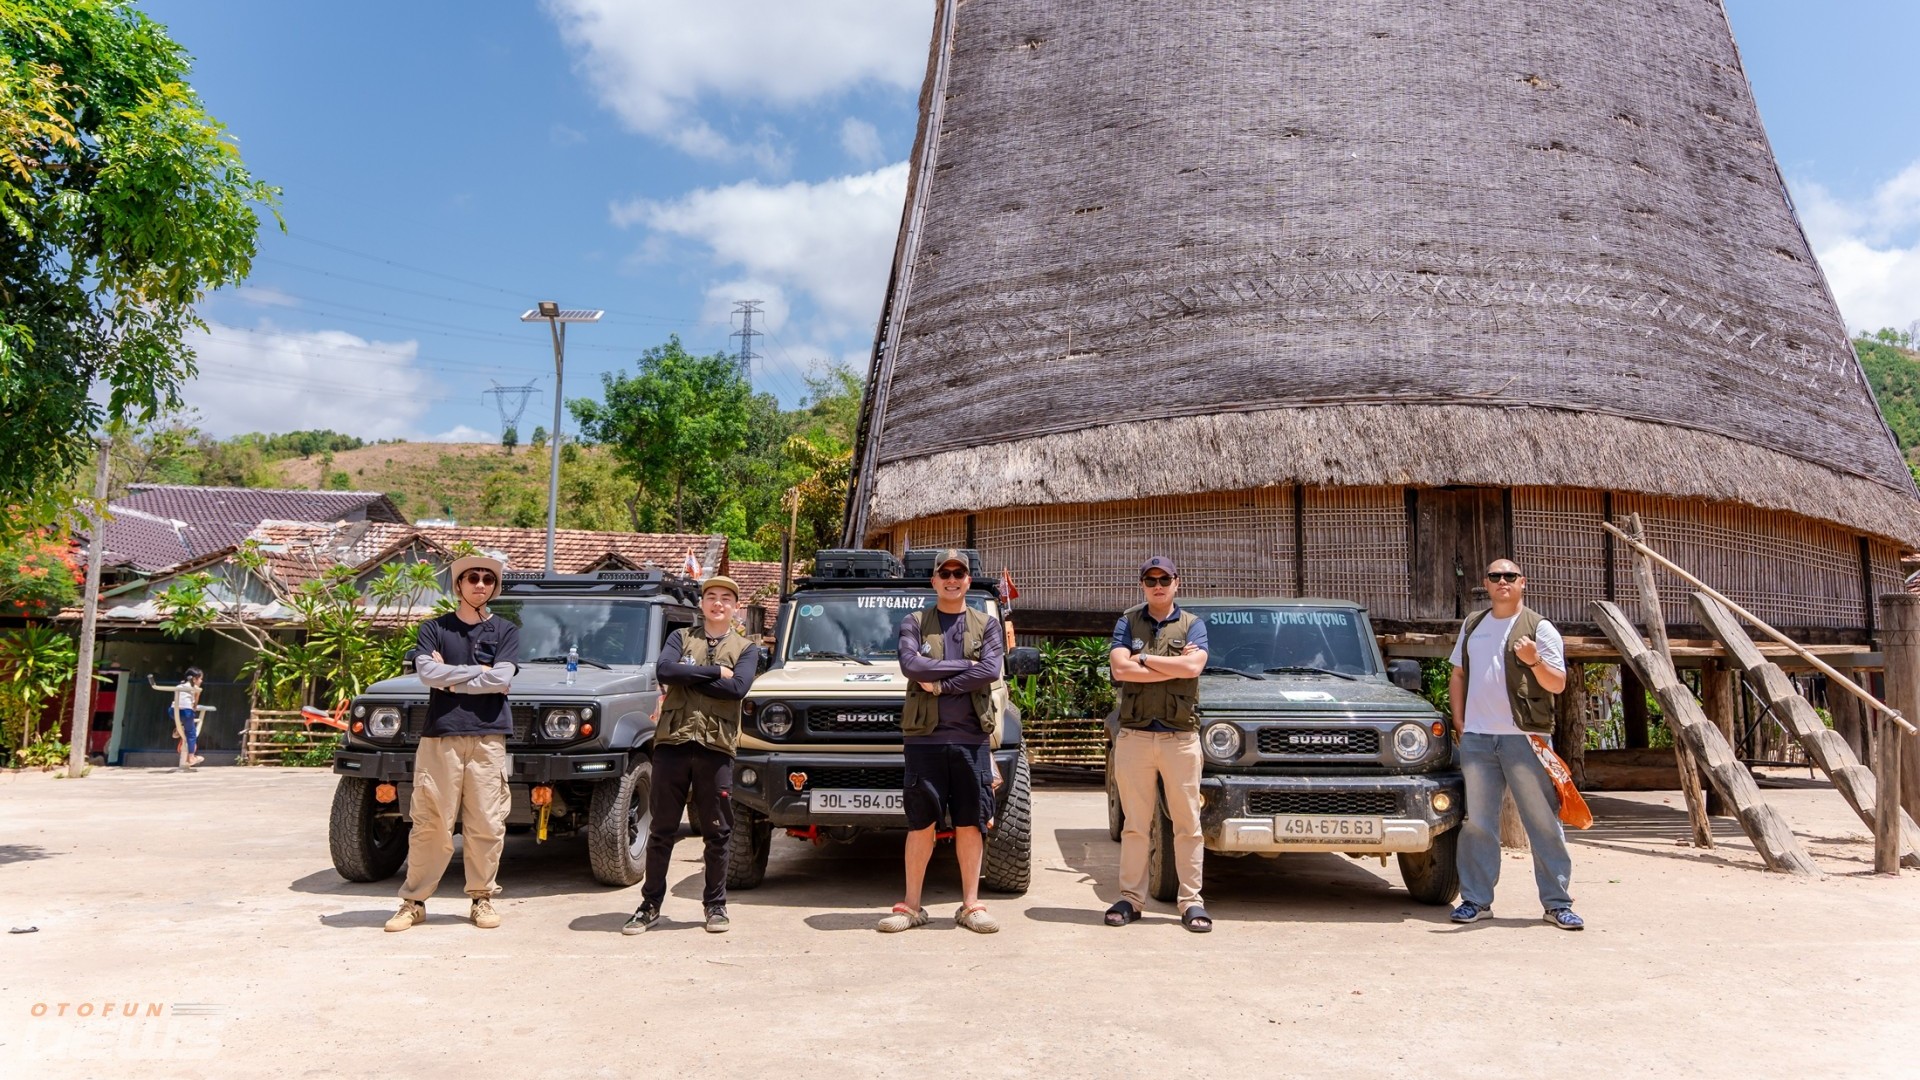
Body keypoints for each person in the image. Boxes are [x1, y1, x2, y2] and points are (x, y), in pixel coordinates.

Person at [385, 554, 521, 933]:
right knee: (431, 821)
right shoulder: (435, 629)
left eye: (488, 580)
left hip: (489, 736)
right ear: (458, 585)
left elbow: (504, 678)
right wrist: (481, 671)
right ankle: (414, 902)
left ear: (495, 588)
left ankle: (482, 898)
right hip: (440, 735)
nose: (481, 584)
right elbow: (427, 673)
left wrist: (452, 678)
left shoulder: (505, 632)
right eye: (472, 578)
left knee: (487, 822)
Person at [1447, 558, 1582, 930]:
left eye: (1509, 576)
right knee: (1477, 823)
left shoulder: (1541, 629)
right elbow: (1458, 674)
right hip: (1478, 738)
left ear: (1523, 582)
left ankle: (1557, 904)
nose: (1502, 581)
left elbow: (1557, 683)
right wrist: (1460, 720)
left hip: (1526, 738)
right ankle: (1475, 900)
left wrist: (1534, 660)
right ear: (1486, 584)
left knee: (1542, 821)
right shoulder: (1473, 625)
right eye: (1495, 576)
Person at [624, 575, 760, 935]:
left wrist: (690, 676)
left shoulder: (746, 649)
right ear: (701, 605)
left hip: (715, 747)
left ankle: (715, 905)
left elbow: (738, 689)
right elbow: (665, 670)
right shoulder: (680, 638)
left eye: (725, 599)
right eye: (711, 597)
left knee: (717, 831)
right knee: (662, 829)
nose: (717, 603)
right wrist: (715, 670)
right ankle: (649, 904)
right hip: (673, 743)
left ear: (735, 607)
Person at [879, 550, 1005, 934]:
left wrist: (943, 683)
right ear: (933, 581)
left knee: (971, 823)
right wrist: (967, 666)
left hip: (971, 739)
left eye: (959, 573)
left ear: (968, 580)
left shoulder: (987, 624)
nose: (952, 579)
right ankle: (912, 906)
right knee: (921, 823)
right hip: (924, 739)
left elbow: (991, 669)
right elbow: (910, 666)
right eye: (944, 573)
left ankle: (970, 905)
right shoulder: (915, 621)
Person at [1106, 556, 1213, 932]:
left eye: (1164, 578)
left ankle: (1190, 902)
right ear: (1142, 584)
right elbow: (1120, 669)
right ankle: (1131, 899)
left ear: (1176, 583)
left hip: (1179, 739)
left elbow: (1193, 669)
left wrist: (1146, 658)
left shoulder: (1193, 625)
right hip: (1135, 737)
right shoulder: (1127, 621)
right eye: (1150, 579)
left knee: (1187, 824)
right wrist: (1170, 666)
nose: (1157, 585)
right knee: (1135, 825)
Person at [167, 668, 205, 770]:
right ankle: (191, 757)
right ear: (194, 679)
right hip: (186, 713)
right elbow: (195, 706)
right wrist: (197, 694)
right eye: (200, 679)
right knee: (191, 733)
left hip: (172, 711)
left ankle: (178, 728)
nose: (201, 681)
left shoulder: (179, 686)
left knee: (180, 721)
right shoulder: (195, 688)